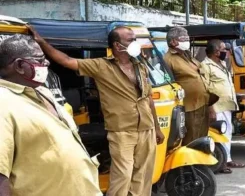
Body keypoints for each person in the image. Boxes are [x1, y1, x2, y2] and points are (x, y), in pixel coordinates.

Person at [28, 25, 165, 196]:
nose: (134, 43)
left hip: (147, 128)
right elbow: (66, 60)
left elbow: (148, 98)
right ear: (117, 45)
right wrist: (41, 42)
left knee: (143, 175)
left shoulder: (140, 66)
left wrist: (157, 128)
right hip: (121, 130)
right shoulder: (101, 66)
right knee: (122, 175)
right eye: (130, 40)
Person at [0, 34, 102, 196]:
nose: (46, 63)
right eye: (39, 59)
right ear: (19, 66)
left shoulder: (43, 91)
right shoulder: (4, 102)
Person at [164, 26, 218, 145]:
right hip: (188, 107)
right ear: (173, 41)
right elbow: (168, 84)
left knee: (202, 137)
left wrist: (211, 107)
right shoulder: (168, 59)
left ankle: (200, 163)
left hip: (202, 103)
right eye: (183, 39)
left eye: (187, 39)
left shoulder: (188, 55)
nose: (187, 41)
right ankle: (190, 164)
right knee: (191, 138)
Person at [202, 39, 245, 174]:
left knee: (227, 133)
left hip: (226, 105)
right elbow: (205, 89)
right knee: (218, 135)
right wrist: (211, 109)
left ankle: (227, 159)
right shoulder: (205, 65)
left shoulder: (221, 63)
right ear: (216, 52)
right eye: (224, 49)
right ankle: (220, 162)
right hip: (216, 106)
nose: (226, 52)